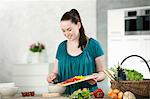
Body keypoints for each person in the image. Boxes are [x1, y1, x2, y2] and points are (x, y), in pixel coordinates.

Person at [47, 9, 106, 95]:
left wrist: (97, 77)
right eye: (63, 31)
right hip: (65, 96)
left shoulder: (94, 45)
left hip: (87, 95)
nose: (66, 34)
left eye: (69, 29)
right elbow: (55, 73)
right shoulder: (61, 47)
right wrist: (52, 76)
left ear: (78, 25)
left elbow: (102, 72)